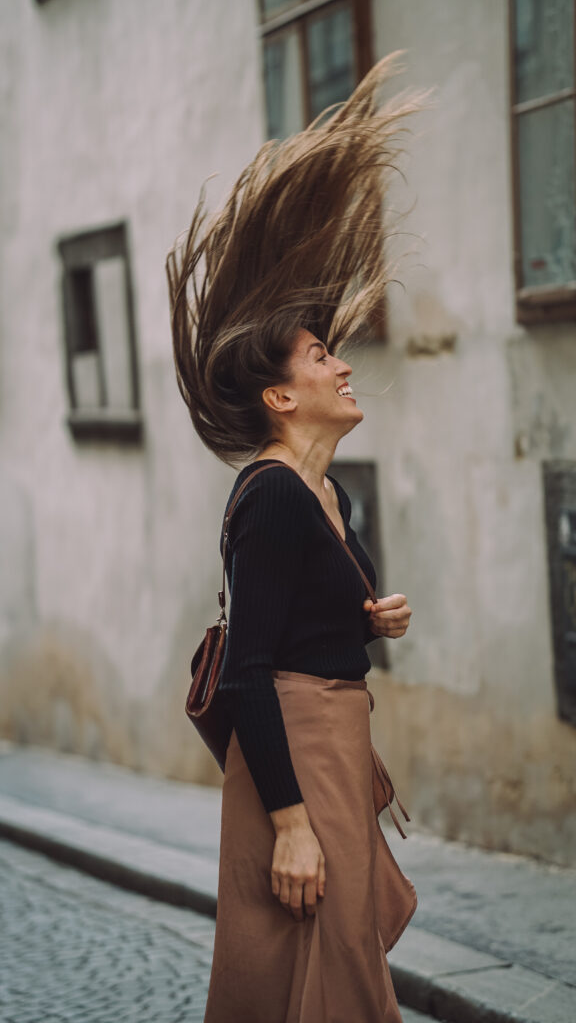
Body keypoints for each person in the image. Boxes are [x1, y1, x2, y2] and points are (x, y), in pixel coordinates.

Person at [167, 51, 428, 1023]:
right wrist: (289, 825)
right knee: (322, 973)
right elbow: (248, 670)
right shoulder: (271, 496)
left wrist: (371, 616)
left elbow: (301, 624)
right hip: (297, 762)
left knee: (330, 966)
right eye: (325, 355)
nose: (344, 364)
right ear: (283, 395)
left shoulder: (325, 499)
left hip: (332, 745)